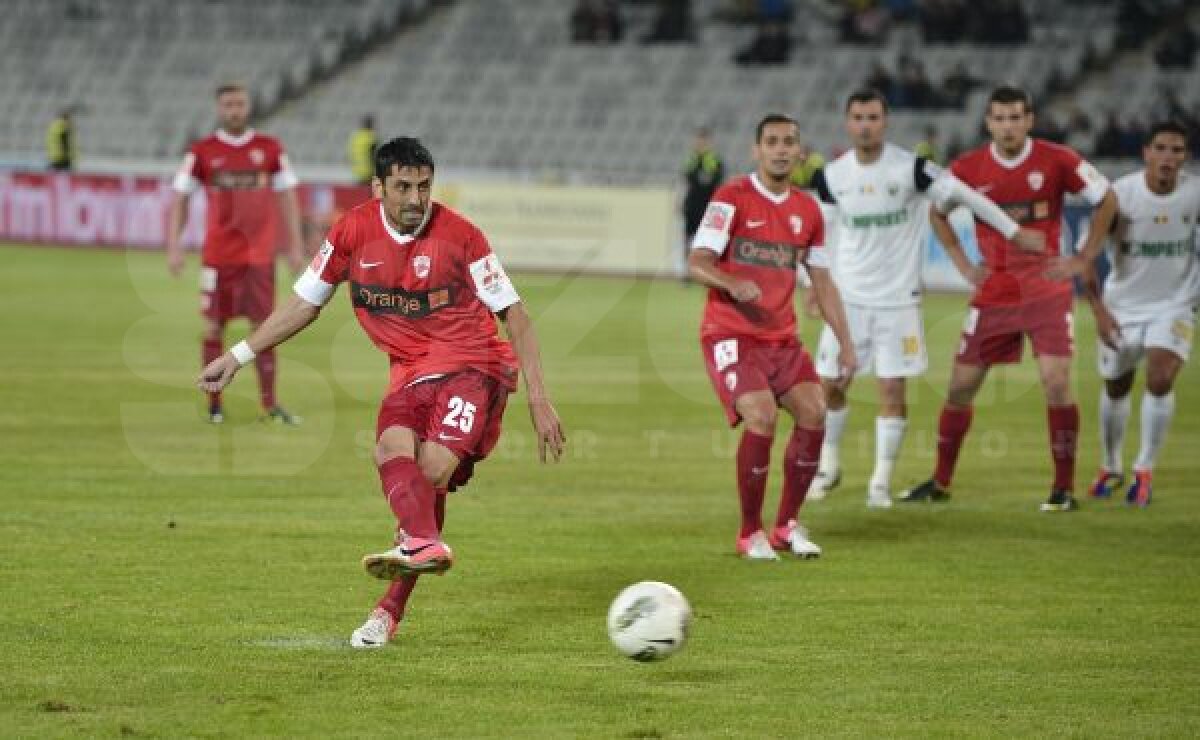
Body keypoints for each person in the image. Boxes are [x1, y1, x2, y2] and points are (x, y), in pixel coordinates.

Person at [197, 137, 566, 648]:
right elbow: (304, 304)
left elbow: (516, 315)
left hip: (473, 367)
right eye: (403, 187)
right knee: (390, 451)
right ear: (378, 188)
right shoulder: (352, 232)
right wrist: (238, 355)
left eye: (424, 187)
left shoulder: (462, 236)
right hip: (409, 373)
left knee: (431, 471)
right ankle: (408, 571)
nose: (416, 199)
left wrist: (540, 398)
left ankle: (396, 593)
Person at [807, 89, 1039, 508]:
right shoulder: (830, 176)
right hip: (849, 300)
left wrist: (1013, 231)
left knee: (891, 391)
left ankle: (879, 484)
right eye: (858, 117)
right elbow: (823, 233)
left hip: (898, 302)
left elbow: (968, 196)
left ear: (885, 121)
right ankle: (829, 465)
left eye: (873, 117)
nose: (865, 125)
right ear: (847, 122)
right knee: (829, 387)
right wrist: (814, 285)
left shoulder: (911, 169)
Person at [900, 85, 1117, 512]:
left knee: (1056, 382)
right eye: (999, 118)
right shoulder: (968, 167)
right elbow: (937, 213)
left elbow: (1106, 198)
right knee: (960, 387)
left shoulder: (1057, 159)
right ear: (988, 123)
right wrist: (964, 265)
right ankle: (940, 481)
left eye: (1015, 117)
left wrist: (1084, 256)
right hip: (996, 291)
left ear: (1029, 120)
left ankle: (1063, 489)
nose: (1008, 126)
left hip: (1045, 286)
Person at [688, 113, 857, 560]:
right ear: (757, 150)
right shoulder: (731, 198)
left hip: (782, 339)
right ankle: (751, 534)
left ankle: (786, 527)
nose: (781, 150)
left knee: (814, 410)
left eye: (789, 142)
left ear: (800, 152)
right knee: (761, 415)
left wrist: (846, 342)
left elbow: (822, 281)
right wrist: (731, 283)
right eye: (772, 142)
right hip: (730, 333)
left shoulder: (808, 210)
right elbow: (698, 261)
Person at [1048, 121, 1199, 506]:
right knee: (1117, 385)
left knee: (1160, 377)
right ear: (1146, 152)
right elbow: (1086, 258)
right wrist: (1099, 311)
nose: (1168, 158)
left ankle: (1144, 470)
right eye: (1160, 148)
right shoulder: (1119, 197)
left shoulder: (1194, 193)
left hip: (1175, 303)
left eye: (1177, 150)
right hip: (1122, 307)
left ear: (1185, 157)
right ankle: (1110, 465)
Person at [167, 82, 307, 424]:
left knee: (265, 329)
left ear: (248, 106)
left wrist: (295, 244)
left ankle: (268, 406)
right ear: (219, 108)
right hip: (219, 258)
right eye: (228, 104)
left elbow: (288, 195)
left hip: (259, 258)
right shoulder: (201, 151)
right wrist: (174, 245)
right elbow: (180, 197)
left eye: (239, 103)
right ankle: (214, 405)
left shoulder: (270, 149)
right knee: (213, 328)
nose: (234, 110)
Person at [682, 127, 725, 270]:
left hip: (709, 206)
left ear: (709, 142)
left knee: (709, 240)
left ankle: (708, 269)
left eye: (703, 140)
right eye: (698, 140)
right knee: (689, 238)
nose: (700, 143)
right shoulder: (691, 159)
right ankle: (689, 270)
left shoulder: (715, 160)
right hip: (692, 205)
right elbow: (686, 182)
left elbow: (718, 183)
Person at [348, 115, 378, 186]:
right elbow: (374, 155)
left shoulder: (356, 137)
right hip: (369, 172)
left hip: (357, 172)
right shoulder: (371, 137)